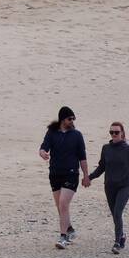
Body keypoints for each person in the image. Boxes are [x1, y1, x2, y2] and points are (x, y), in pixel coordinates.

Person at [84, 121, 129, 254]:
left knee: (118, 212)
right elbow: (102, 167)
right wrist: (89, 177)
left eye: (116, 132)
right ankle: (122, 236)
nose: (114, 134)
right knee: (114, 214)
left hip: (124, 186)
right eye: (111, 132)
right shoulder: (106, 149)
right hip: (109, 186)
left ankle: (117, 242)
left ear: (122, 133)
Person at [38, 106, 88, 250]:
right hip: (54, 174)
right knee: (60, 206)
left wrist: (86, 176)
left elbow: (82, 157)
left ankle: (63, 237)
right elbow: (43, 148)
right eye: (69, 119)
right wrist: (42, 153)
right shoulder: (52, 133)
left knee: (63, 204)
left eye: (73, 119)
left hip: (71, 173)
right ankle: (70, 229)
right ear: (62, 119)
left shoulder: (77, 135)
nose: (72, 121)